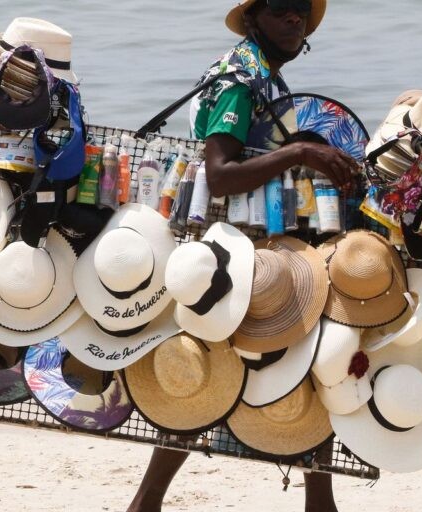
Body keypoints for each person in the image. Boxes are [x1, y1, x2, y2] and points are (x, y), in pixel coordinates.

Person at [127, 2, 356, 511]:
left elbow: (257, 152)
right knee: (266, 362)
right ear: (255, 19)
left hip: (258, 242)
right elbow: (223, 172)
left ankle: (149, 503)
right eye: (282, 9)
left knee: (249, 366)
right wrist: (300, 154)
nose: (295, 19)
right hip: (230, 249)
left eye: (302, 12)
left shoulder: (265, 77)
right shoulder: (240, 77)